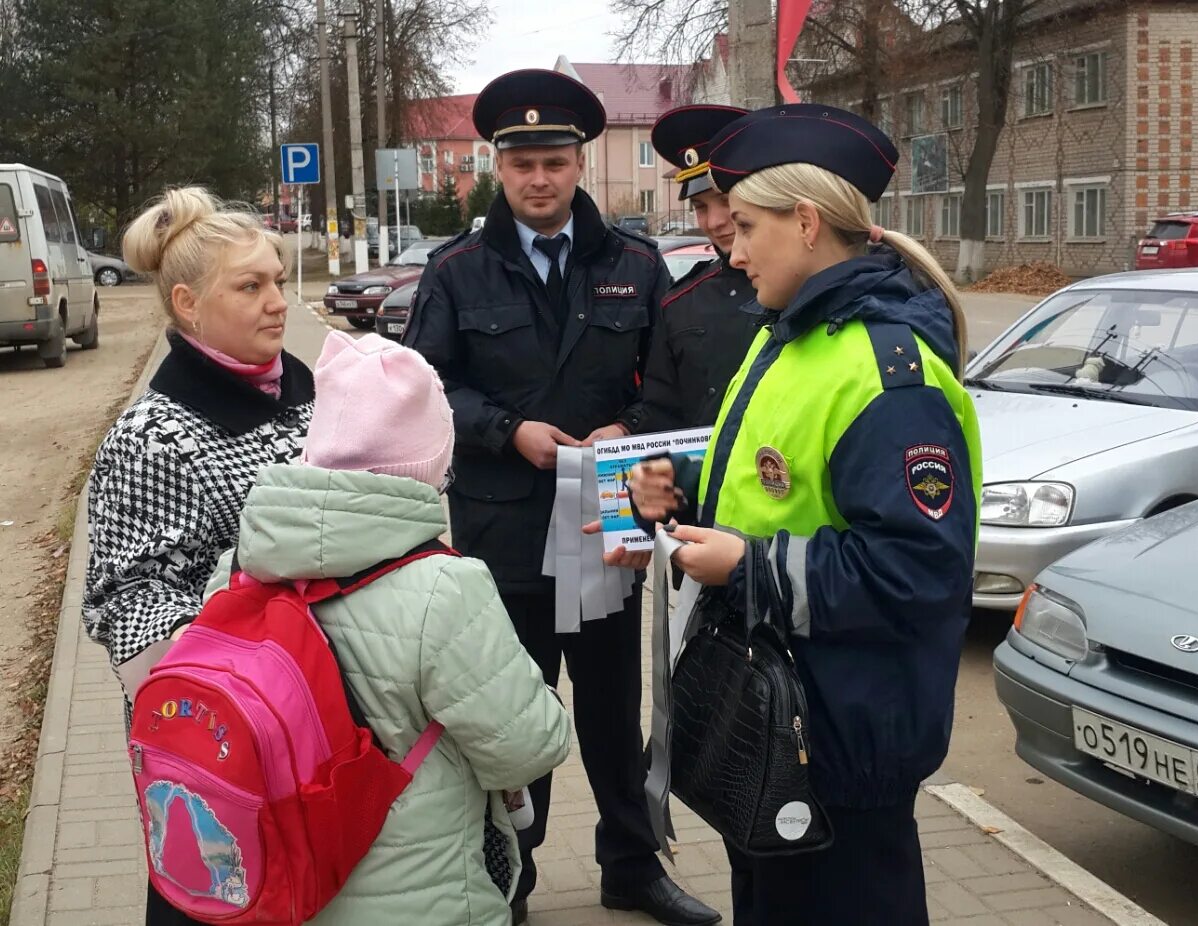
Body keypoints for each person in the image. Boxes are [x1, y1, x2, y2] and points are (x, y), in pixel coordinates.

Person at [629, 104, 982, 925]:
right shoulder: (789, 333)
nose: (733, 246)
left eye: (747, 225)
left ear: (807, 222)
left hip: (839, 741)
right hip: (777, 727)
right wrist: (676, 490)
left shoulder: (887, 374)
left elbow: (917, 572)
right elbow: (774, 481)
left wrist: (745, 566)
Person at [405, 68, 719, 926]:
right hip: (503, 535)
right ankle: (512, 877)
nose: (538, 180)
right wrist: (509, 431)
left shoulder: (635, 264)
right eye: (521, 165)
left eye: (553, 161)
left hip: (611, 521)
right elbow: (426, 387)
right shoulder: (458, 271)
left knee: (615, 715)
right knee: (514, 717)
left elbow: (672, 383)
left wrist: (630, 425)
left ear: (579, 162)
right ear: (495, 169)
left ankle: (632, 867)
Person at [203, 331, 572, 926]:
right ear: (430, 464)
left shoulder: (241, 568)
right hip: (422, 894)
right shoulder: (446, 587)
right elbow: (525, 748)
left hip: (284, 881)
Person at [82, 186, 315, 925]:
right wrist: (264, 666)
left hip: (315, 716)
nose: (277, 300)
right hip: (219, 739)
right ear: (187, 304)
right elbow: (128, 605)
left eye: (277, 278)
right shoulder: (156, 436)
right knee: (217, 900)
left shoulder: (304, 394)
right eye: (251, 286)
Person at [635, 104, 761, 434]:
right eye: (700, 207)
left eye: (725, 199)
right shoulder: (680, 304)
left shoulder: (808, 288)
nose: (715, 222)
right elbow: (660, 416)